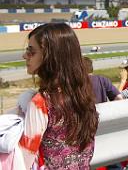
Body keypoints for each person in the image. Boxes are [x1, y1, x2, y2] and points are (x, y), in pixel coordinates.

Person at [20, 23, 99, 169]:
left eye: (31, 52)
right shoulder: (83, 95)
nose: (25, 55)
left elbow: (23, 160)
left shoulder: (41, 102)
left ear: (50, 57)